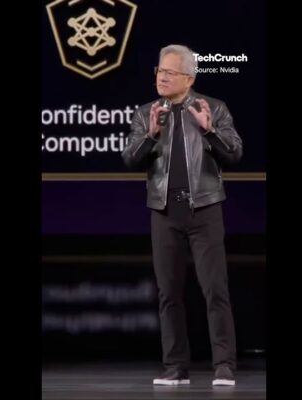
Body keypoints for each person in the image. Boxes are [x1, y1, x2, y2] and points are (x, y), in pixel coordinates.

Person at [121, 44, 243, 386]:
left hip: (204, 209)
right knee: (168, 293)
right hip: (164, 212)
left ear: (189, 78)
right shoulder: (146, 113)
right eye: (159, 71)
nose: (162, 78)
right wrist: (150, 135)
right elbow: (130, 159)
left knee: (215, 290)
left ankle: (224, 366)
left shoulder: (213, 108)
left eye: (170, 72)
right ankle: (175, 367)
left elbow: (235, 154)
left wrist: (209, 130)